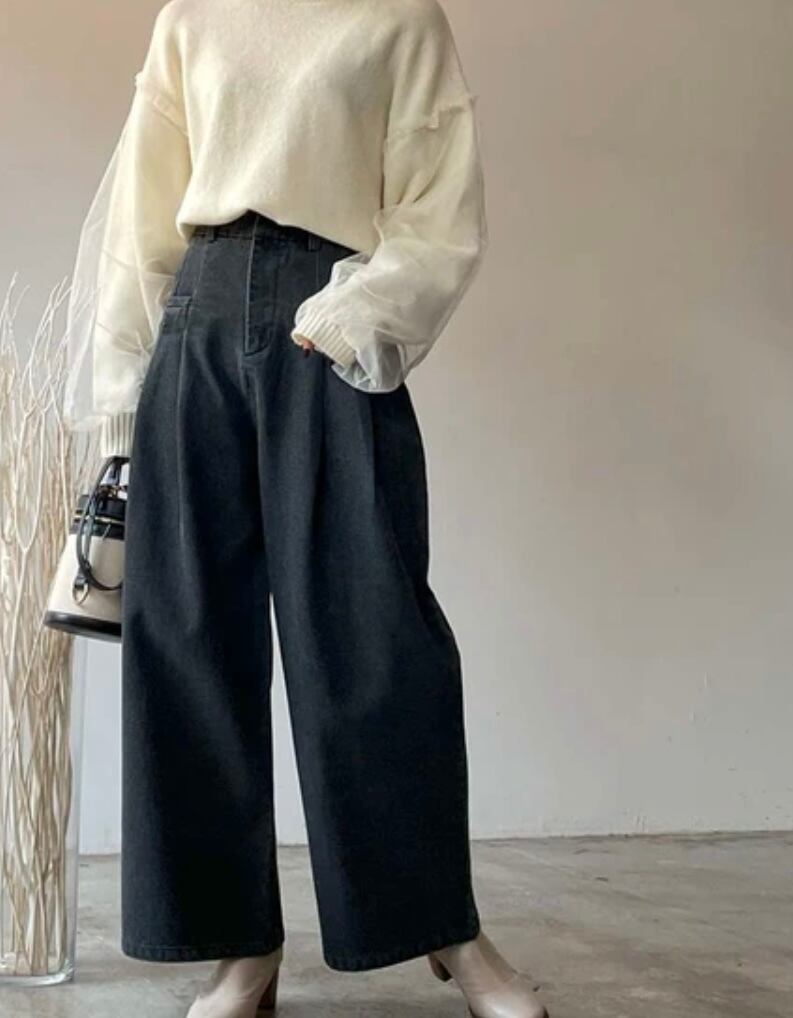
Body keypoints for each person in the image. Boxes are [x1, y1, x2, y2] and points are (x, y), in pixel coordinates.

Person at [64, 1, 549, 1016]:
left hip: (326, 325)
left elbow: (437, 205)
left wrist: (353, 312)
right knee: (190, 642)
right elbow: (143, 211)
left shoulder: (397, 17)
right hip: (194, 326)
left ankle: (445, 929)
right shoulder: (193, 16)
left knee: (375, 636)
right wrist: (118, 399)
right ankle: (237, 947)